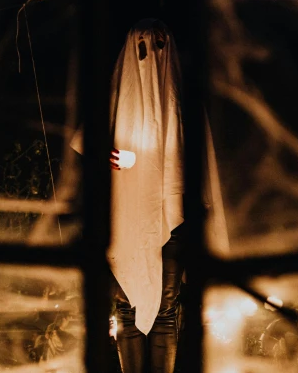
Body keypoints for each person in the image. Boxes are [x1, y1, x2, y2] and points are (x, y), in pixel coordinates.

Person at [71, 19, 227, 373]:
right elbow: (88, 142)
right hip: (125, 217)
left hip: (172, 221)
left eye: (158, 47)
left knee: (164, 310)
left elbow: (196, 161)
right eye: (142, 49)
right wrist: (108, 155)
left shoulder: (183, 100)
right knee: (127, 306)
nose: (150, 59)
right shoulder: (118, 96)